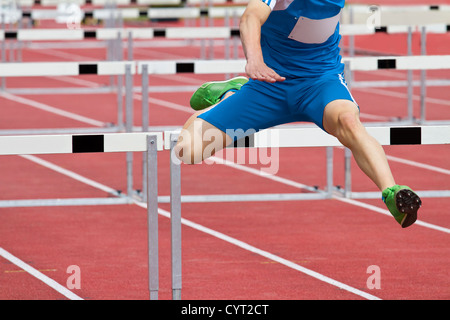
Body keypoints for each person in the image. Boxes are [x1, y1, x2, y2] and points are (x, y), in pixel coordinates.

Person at [174, 0, 422, 228]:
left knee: (348, 121)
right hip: (269, 84)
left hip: (320, 82)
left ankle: (392, 192)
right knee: (188, 150)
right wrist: (254, 60)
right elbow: (250, 16)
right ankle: (230, 93)